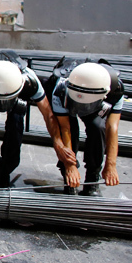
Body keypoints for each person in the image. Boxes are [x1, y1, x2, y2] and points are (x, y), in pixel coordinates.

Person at [0, 53, 74, 188]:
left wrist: (58, 144)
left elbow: (48, 115)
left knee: (15, 128)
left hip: (16, 98)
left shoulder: (30, 81)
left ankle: (5, 169)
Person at [48, 59, 124, 196]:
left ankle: (92, 177)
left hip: (96, 103)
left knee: (98, 127)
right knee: (73, 131)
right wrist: (69, 166)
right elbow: (66, 129)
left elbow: (112, 128)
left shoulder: (115, 90)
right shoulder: (60, 89)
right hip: (69, 101)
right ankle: (69, 177)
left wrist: (111, 164)